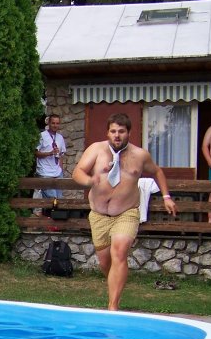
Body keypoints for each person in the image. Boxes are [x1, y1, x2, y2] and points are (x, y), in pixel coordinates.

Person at [72, 113, 177, 311]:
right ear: (107, 133)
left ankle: (113, 307)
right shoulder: (96, 149)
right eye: (113, 131)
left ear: (129, 133)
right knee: (105, 263)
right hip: (99, 215)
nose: (117, 135)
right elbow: (78, 172)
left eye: (121, 131)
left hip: (126, 213)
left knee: (119, 252)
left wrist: (166, 197)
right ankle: (115, 288)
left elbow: (157, 171)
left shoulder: (140, 155)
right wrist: (89, 180)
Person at [33, 114, 66, 214]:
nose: (55, 125)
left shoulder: (60, 138)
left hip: (57, 173)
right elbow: (36, 153)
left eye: (57, 123)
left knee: (59, 199)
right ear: (49, 123)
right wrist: (49, 153)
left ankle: (56, 220)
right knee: (52, 199)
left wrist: (61, 170)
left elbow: (61, 155)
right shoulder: (42, 136)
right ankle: (49, 219)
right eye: (53, 123)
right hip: (45, 172)